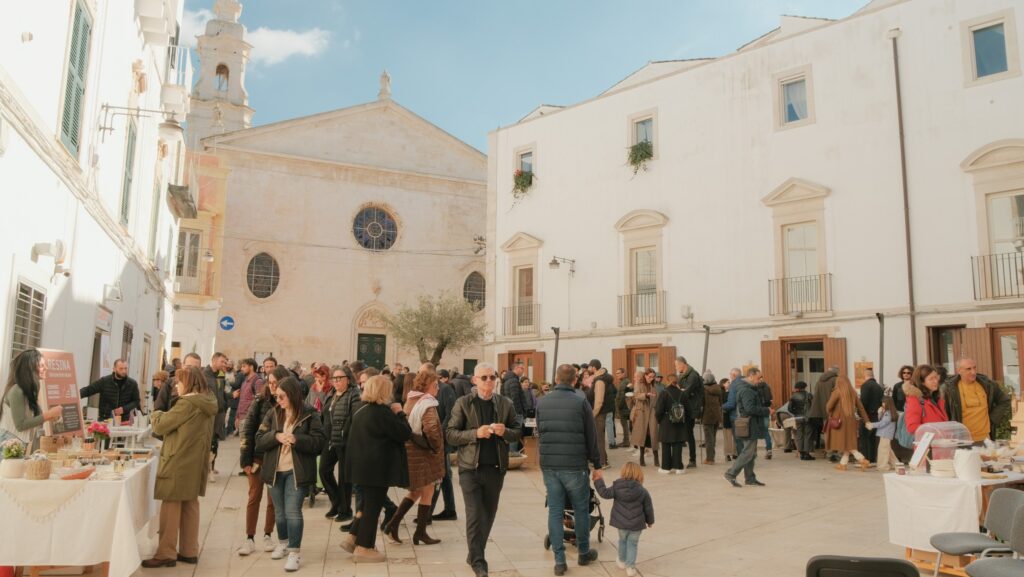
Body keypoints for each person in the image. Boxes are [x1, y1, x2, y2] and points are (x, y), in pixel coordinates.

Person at [446, 363, 521, 577]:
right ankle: (479, 562)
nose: (489, 381)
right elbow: (450, 434)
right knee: (475, 515)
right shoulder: (463, 403)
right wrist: (474, 434)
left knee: (488, 514)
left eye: (492, 377)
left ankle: (474, 552)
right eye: (484, 377)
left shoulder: (505, 403)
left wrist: (505, 431)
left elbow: (517, 431)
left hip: (496, 468)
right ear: (475, 380)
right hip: (470, 468)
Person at [142, 367, 218, 568]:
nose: (176, 385)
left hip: (178, 459)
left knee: (170, 506)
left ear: (190, 382)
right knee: (190, 504)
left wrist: (156, 413)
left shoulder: (187, 404)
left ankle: (166, 552)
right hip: (194, 460)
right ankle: (189, 550)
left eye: (179, 382)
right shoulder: (207, 400)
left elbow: (160, 426)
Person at [536, 364, 601, 575]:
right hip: (574, 465)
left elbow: (540, 432)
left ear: (556, 379)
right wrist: (597, 464)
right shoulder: (581, 401)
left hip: (550, 466)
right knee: (581, 509)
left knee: (555, 510)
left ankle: (559, 560)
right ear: (575, 380)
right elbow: (591, 437)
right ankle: (583, 552)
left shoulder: (542, 402)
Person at [255, 376, 325, 571]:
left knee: (293, 511)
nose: (279, 400)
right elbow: (259, 439)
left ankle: (294, 552)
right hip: (274, 470)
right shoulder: (273, 412)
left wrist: (296, 439)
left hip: (297, 471)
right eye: (277, 397)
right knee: (279, 512)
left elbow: (319, 442)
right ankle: (283, 543)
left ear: (293, 395)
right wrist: (276, 436)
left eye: (282, 396)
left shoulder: (310, 414)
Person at [340, 375, 412, 563]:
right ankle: (365, 548)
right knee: (373, 507)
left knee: (365, 505)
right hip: (377, 469)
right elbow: (404, 433)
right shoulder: (382, 413)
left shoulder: (358, 408)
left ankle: (353, 536)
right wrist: (400, 413)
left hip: (359, 467)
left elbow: (346, 433)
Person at [383, 367, 445, 546]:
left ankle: (395, 525)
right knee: (427, 491)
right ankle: (418, 532)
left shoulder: (411, 399)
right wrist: (436, 447)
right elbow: (432, 431)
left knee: (418, 491)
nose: (438, 388)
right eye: (436, 385)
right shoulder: (428, 403)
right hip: (423, 454)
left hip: (411, 452)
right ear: (430, 386)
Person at [237, 366, 289, 556]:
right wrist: (245, 459)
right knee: (254, 497)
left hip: (278, 459)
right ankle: (249, 538)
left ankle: (268, 534)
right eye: (270, 382)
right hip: (258, 457)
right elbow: (248, 430)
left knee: (273, 500)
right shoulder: (260, 400)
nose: (273, 386)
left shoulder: (288, 402)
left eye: (276, 382)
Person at [593, 462, 654, 577]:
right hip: (636, 525)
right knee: (632, 544)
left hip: (621, 523)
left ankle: (621, 561)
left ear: (623, 472)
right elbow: (648, 508)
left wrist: (598, 480)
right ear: (639, 474)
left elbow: (604, 493)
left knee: (622, 541)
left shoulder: (617, 487)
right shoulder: (642, 491)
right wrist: (650, 521)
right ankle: (630, 567)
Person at [0, 349, 62, 452]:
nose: (46, 368)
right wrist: (48, 415)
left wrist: (51, 416)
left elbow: (33, 421)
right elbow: (20, 425)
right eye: (42, 366)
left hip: (17, 445)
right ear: (31, 369)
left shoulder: (28, 390)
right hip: (7, 445)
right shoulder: (17, 390)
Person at [941, 358, 1011, 444]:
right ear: (959, 371)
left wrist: (992, 419)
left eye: (974, 368)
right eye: (968, 369)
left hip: (985, 440)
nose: (973, 372)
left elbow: (1004, 400)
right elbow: (944, 414)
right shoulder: (949, 389)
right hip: (962, 441)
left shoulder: (988, 385)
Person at [723, 367, 769, 488]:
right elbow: (750, 409)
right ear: (751, 376)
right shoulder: (747, 390)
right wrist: (766, 410)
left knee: (751, 453)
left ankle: (750, 478)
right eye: (758, 378)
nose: (759, 381)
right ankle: (731, 473)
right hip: (749, 424)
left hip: (749, 424)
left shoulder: (747, 388)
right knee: (748, 452)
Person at [321, 366, 354, 520]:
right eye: (334, 378)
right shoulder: (331, 394)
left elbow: (353, 418)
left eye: (340, 378)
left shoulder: (353, 395)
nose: (337, 381)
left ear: (348, 379)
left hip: (345, 442)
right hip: (329, 440)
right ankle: (337, 502)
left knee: (344, 478)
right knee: (324, 471)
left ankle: (345, 511)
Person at [431, 368, 459, 521]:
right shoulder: (432, 390)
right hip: (437, 438)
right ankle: (450, 510)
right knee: (445, 475)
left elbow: (450, 414)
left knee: (440, 474)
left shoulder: (446, 389)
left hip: (442, 438)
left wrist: (439, 433)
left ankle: (427, 512)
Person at [826, 376, 870, 471]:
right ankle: (843, 464)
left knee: (848, 444)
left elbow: (828, 406)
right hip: (851, 421)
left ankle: (862, 459)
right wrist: (867, 420)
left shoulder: (837, 392)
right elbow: (861, 408)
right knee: (847, 442)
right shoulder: (853, 392)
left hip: (840, 422)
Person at [654, 370, 687, 474]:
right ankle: (678, 467)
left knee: (666, 445)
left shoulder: (664, 393)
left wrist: (659, 420)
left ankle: (666, 468)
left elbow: (658, 410)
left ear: (667, 381)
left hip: (666, 421)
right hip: (680, 421)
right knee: (677, 444)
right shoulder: (682, 393)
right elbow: (688, 409)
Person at [674, 357, 703, 469]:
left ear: (682, 364)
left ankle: (693, 460)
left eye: (677, 365)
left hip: (690, 409)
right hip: (684, 408)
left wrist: (679, 390)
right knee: (684, 434)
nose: (676, 368)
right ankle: (683, 459)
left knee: (689, 434)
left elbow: (686, 392)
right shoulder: (684, 375)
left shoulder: (693, 375)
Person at [904, 364, 949, 435]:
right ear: (922, 382)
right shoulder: (915, 400)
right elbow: (912, 427)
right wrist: (934, 430)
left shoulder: (937, 398)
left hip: (941, 443)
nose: (935, 381)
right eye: (931, 379)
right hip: (928, 444)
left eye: (936, 378)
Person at [629, 368, 660, 467]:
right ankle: (641, 458)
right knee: (642, 436)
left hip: (652, 413)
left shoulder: (654, 385)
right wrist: (646, 395)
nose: (651, 378)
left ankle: (656, 458)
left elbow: (657, 398)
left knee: (653, 435)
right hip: (642, 413)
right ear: (645, 376)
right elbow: (636, 395)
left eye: (653, 377)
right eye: (650, 376)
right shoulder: (639, 384)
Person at [588, 359, 615, 468]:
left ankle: (602, 462)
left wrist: (593, 414)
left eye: (590, 367)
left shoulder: (599, 381)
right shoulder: (603, 377)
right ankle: (604, 460)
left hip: (599, 413)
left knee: (599, 438)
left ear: (594, 368)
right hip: (604, 411)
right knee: (599, 437)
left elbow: (599, 401)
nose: (588, 369)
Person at [808, 366, 839, 458]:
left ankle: (828, 451)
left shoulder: (819, 380)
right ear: (836, 372)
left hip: (822, 409)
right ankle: (834, 452)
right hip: (833, 409)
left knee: (826, 431)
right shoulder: (835, 380)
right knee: (835, 430)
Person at [866, 393, 900, 471]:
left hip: (885, 434)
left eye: (883, 402)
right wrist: (880, 413)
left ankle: (883, 466)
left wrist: (871, 425)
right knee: (888, 451)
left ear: (887, 403)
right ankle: (897, 464)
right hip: (885, 434)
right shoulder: (888, 412)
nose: (882, 404)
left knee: (883, 451)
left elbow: (882, 423)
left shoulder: (888, 413)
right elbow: (881, 421)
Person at [501, 362, 527, 455]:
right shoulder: (513, 381)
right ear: (516, 368)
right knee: (514, 434)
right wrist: (519, 413)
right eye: (522, 368)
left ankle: (510, 453)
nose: (523, 371)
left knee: (511, 434)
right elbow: (515, 398)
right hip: (515, 413)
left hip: (508, 411)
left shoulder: (507, 380)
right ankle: (512, 454)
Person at [858, 368, 883, 464]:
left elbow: (863, 402)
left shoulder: (865, 385)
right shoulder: (878, 387)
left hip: (867, 416)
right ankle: (872, 458)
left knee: (864, 437)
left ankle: (865, 458)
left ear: (865, 376)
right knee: (872, 438)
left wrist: (861, 415)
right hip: (876, 416)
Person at [235, 359, 264, 437]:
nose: (241, 369)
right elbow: (241, 401)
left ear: (251, 367)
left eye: (244, 366)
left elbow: (259, 402)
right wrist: (237, 417)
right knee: (243, 446)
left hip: (250, 419)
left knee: (248, 446)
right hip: (242, 418)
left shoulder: (258, 382)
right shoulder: (244, 382)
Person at [788, 381, 815, 461]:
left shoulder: (793, 396)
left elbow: (789, 408)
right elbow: (812, 407)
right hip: (807, 418)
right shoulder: (809, 395)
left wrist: (796, 413)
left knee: (799, 434)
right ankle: (807, 453)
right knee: (808, 434)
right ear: (804, 387)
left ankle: (801, 453)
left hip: (798, 418)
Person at [701, 372, 723, 464]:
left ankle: (710, 459)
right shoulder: (718, 389)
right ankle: (711, 457)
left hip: (707, 416)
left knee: (708, 439)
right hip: (716, 416)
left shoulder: (704, 390)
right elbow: (721, 402)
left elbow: (701, 403)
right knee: (712, 438)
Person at [752, 377, 774, 459]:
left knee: (754, 431)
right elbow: (770, 400)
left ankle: (754, 452)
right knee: (766, 431)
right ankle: (769, 450)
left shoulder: (754, 388)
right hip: (765, 411)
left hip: (757, 412)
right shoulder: (767, 387)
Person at [719, 378, 737, 462]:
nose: (729, 383)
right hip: (725, 416)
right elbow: (720, 405)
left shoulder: (732, 393)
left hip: (733, 416)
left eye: (729, 382)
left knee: (735, 436)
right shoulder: (721, 394)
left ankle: (735, 453)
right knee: (727, 437)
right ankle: (727, 454)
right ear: (723, 384)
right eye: (727, 382)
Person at [614, 368, 632, 449]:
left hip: (624, 407)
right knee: (624, 425)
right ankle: (626, 441)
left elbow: (623, 396)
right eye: (616, 373)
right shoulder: (623, 382)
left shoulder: (625, 382)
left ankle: (626, 441)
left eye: (619, 373)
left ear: (623, 373)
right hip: (624, 407)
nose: (617, 375)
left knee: (625, 425)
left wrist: (619, 406)